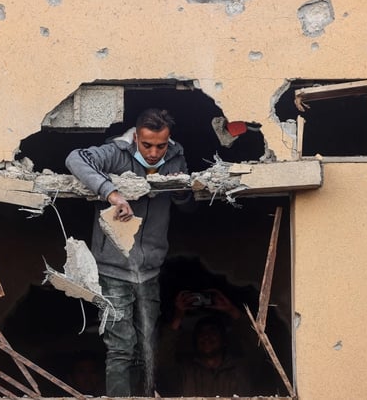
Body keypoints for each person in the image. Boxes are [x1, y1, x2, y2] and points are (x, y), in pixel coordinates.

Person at [65, 108, 195, 396]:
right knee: (121, 348)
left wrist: (180, 191)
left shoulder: (175, 156)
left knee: (145, 347)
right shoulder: (117, 152)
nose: (153, 152)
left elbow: (188, 206)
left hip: (149, 271)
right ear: (136, 137)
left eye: (160, 145)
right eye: (147, 145)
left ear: (168, 140)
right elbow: (75, 158)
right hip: (113, 271)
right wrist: (112, 193)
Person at [157, 289, 254, 397]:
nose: (206, 336)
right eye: (201, 332)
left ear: (224, 340)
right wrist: (178, 316)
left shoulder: (241, 369)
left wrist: (232, 310)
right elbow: (163, 358)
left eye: (213, 331)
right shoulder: (185, 373)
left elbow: (256, 343)